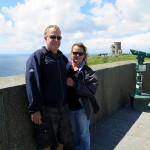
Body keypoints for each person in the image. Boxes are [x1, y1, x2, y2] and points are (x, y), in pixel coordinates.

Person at [25, 25, 71, 150]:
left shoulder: (62, 57)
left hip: (63, 107)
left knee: (62, 139)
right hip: (46, 110)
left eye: (59, 37)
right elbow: (31, 83)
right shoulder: (37, 57)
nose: (56, 40)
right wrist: (35, 110)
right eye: (53, 37)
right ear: (45, 38)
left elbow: (71, 71)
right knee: (46, 143)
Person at [66, 42, 99, 150]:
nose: (77, 56)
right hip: (69, 108)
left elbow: (91, 91)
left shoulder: (88, 72)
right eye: (75, 53)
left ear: (84, 55)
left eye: (80, 54)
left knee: (84, 134)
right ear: (71, 54)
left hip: (82, 109)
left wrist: (74, 85)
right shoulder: (65, 68)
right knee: (74, 132)